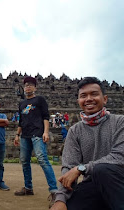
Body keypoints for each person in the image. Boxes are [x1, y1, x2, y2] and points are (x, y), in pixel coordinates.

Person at [50, 77, 124, 210]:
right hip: (92, 185)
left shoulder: (120, 122)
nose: (89, 99)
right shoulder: (75, 131)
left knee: (102, 170)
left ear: (105, 98)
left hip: (119, 183)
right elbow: (69, 167)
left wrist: (81, 168)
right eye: (83, 96)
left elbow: (119, 157)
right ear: (79, 101)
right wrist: (60, 199)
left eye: (94, 94)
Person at [14, 76, 58, 208]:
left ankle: (54, 191)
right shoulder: (21, 103)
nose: (28, 87)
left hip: (37, 133)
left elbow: (45, 116)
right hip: (25, 135)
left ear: (35, 87)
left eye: (30, 85)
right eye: (26, 85)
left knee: (42, 159)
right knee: (24, 161)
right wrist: (17, 134)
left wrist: (46, 132)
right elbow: (21, 121)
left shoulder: (40, 100)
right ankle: (28, 187)